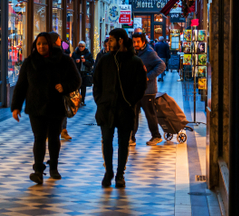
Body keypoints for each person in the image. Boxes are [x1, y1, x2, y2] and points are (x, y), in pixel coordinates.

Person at [11, 33, 80, 184]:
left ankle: (54, 167)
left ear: (50, 44)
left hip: (56, 105)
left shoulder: (64, 60)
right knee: (39, 138)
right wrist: (16, 107)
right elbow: (21, 85)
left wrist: (64, 86)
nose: (41, 46)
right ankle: (38, 171)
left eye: (44, 44)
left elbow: (76, 80)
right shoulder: (30, 62)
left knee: (54, 138)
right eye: (38, 44)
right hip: (36, 106)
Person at [92, 28, 148, 188]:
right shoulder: (105, 60)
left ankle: (120, 175)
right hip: (107, 108)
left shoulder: (135, 61)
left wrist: (130, 102)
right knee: (107, 141)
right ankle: (108, 172)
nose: (108, 43)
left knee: (123, 142)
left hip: (125, 109)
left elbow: (141, 86)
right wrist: (100, 100)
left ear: (120, 40)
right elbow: (97, 82)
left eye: (111, 39)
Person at [132, 31, 167, 146]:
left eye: (138, 42)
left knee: (150, 114)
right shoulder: (134, 52)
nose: (135, 44)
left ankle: (156, 136)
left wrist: (148, 77)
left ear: (143, 41)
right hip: (135, 90)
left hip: (148, 91)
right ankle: (131, 137)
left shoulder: (149, 52)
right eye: (134, 42)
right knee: (133, 114)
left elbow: (161, 65)